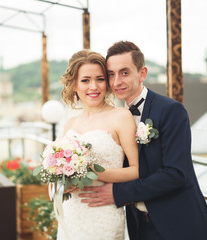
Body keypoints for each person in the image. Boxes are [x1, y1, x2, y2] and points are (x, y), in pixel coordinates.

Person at [79, 41, 207, 240]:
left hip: (177, 224)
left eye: (125, 72)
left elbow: (175, 173)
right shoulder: (115, 118)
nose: (117, 81)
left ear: (142, 73)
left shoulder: (171, 110)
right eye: (111, 74)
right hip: (139, 226)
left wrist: (119, 193)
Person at [57, 49, 139, 240]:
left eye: (100, 79)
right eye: (85, 80)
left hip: (103, 212)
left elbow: (136, 170)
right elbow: (62, 173)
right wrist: (64, 182)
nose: (93, 86)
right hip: (71, 213)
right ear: (74, 85)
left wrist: (91, 171)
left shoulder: (121, 116)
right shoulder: (70, 123)